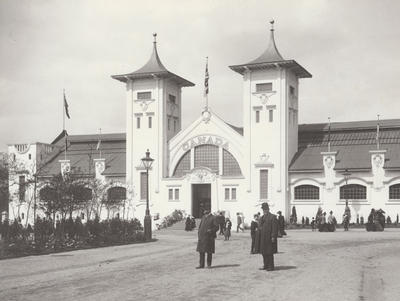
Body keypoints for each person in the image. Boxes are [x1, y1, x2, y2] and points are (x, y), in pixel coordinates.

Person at [258, 202, 278, 271]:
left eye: (265, 209)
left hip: (269, 238)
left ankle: (271, 266)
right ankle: (265, 265)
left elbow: (274, 228)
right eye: (263, 209)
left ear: (268, 209)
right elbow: (260, 227)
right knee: (264, 252)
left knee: (269, 252)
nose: (264, 210)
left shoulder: (272, 217)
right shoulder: (262, 218)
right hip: (263, 238)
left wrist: (273, 236)